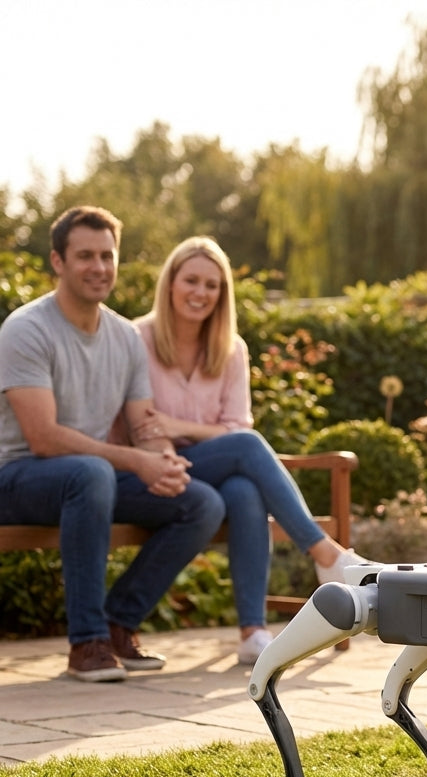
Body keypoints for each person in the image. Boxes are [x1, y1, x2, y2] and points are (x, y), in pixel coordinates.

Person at [0, 206, 227, 683]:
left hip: (88, 480)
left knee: (200, 502)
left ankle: (117, 625)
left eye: (107, 256)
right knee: (90, 473)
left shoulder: (124, 337)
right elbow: (44, 438)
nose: (99, 267)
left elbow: (142, 424)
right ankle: (86, 643)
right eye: (85, 256)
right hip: (13, 480)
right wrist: (137, 460)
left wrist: (164, 458)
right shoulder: (27, 329)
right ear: (58, 261)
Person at [130, 236, 370, 665]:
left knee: (244, 489)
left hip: (214, 473)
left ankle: (252, 632)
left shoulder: (231, 348)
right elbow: (146, 425)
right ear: (170, 283)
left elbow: (237, 425)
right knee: (243, 450)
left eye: (212, 285)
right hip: (152, 469)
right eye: (191, 281)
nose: (200, 293)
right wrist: (176, 438)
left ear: (223, 294)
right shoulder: (137, 338)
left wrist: (178, 426)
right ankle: (326, 555)